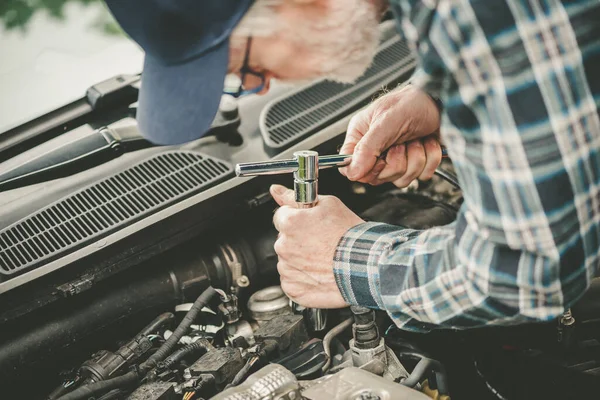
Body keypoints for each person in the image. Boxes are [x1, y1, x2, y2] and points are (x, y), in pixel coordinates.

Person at [105, 0, 600, 331]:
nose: (255, 90)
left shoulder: (472, 16)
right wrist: (446, 97)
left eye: (245, 68)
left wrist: (347, 257)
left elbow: (531, 271)